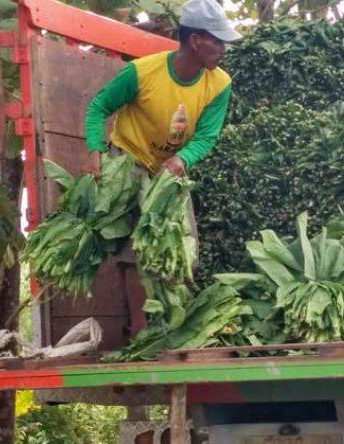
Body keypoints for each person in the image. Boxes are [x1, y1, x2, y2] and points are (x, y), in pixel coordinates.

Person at [84, 0, 241, 337]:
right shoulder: (142, 73)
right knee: (133, 248)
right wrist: (97, 149)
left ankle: (178, 327)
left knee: (183, 242)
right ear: (196, 40)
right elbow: (99, 107)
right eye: (218, 41)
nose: (223, 49)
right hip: (131, 159)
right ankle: (139, 332)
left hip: (172, 166)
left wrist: (182, 159)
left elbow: (207, 136)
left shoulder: (219, 83)